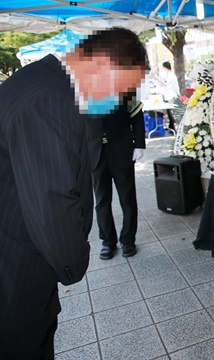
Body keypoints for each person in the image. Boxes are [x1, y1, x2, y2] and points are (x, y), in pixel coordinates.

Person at [0, 27, 148, 359]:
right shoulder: (49, 100)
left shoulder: (36, 81)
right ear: (100, 65)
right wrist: (72, 264)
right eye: (120, 88)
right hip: (16, 274)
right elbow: (52, 200)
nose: (115, 99)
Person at [86, 94, 146, 260]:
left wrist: (139, 145)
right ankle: (107, 241)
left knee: (127, 200)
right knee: (101, 201)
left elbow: (137, 117)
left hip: (121, 151)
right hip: (95, 154)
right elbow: (74, 125)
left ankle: (128, 240)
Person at [158, 60, 179, 130]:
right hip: (168, 95)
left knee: (172, 112)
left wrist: (178, 95)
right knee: (169, 113)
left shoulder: (171, 75)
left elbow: (173, 86)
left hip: (172, 96)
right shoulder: (168, 75)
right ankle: (172, 126)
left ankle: (175, 127)